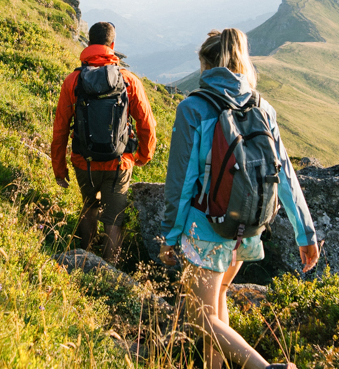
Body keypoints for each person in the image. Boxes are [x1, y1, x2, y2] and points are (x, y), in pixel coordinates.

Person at [160, 28, 319, 369]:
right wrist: (306, 233)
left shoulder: (194, 108)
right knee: (217, 300)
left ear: (207, 64)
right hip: (247, 227)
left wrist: (170, 236)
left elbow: (181, 181)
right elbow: (286, 175)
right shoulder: (263, 107)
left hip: (206, 229)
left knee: (200, 319)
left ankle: (264, 368)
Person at [51, 21, 157, 264]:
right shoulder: (128, 80)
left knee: (89, 207)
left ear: (89, 44)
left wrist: (59, 170)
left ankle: (83, 262)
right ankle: (109, 272)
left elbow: (60, 130)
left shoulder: (73, 81)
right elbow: (147, 124)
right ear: (113, 45)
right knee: (113, 218)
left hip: (84, 162)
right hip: (119, 163)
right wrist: (143, 156)